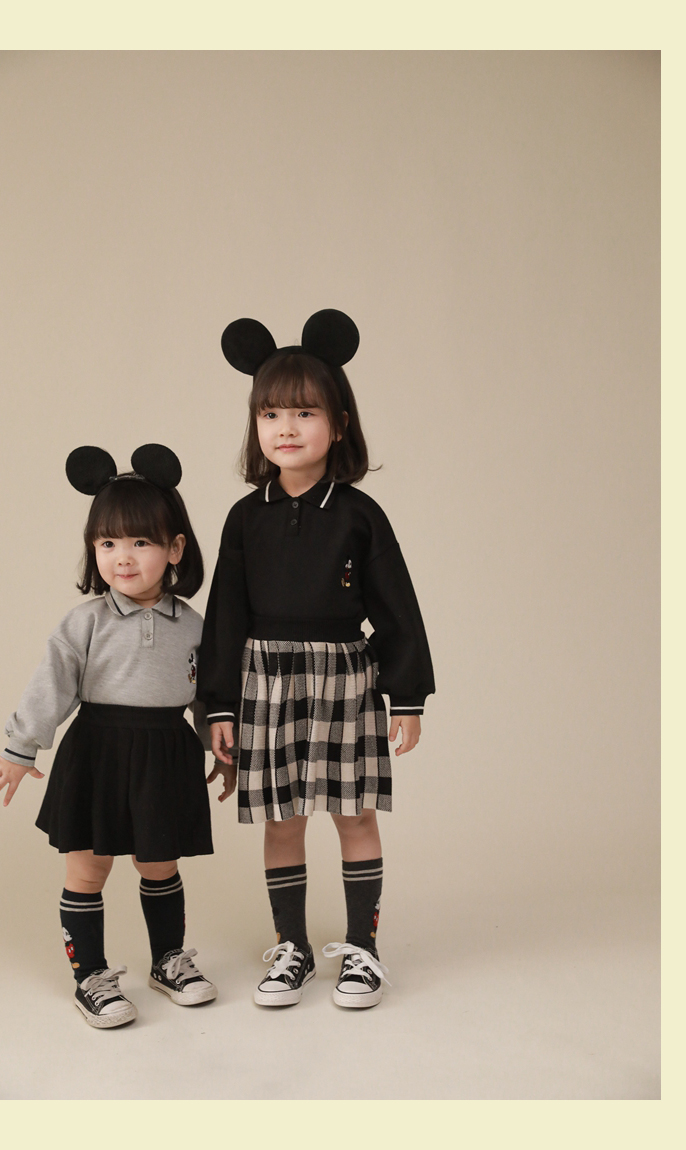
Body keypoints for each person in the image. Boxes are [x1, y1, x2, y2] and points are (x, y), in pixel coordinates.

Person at [198, 310, 434, 1009]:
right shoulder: (245, 517)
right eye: (271, 413)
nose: (287, 428)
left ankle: (363, 950)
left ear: (339, 424)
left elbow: (397, 606)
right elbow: (225, 618)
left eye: (305, 412)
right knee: (282, 820)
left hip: (345, 678)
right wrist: (218, 706)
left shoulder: (360, 515)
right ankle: (292, 950)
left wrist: (407, 695)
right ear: (255, 425)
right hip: (263, 681)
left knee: (355, 815)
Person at [0, 444, 236, 1029]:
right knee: (88, 869)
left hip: (165, 753)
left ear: (175, 549)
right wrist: (20, 748)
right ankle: (90, 976)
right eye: (108, 543)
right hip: (96, 751)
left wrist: (222, 749)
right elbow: (51, 685)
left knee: (159, 864)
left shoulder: (194, 625)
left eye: (141, 542)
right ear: (93, 549)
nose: (123, 557)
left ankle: (169, 961)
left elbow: (209, 695)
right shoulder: (85, 621)